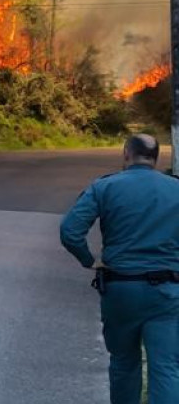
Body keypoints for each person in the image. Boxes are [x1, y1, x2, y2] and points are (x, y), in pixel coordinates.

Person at [60, 134, 179, 404]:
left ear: (126, 154)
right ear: (157, 158)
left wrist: (88, 259)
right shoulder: (175, 189)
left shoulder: (105, 186)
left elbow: (70, 231)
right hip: (168, 293)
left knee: (124, 363)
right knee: (167, 368)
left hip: (120, 289)